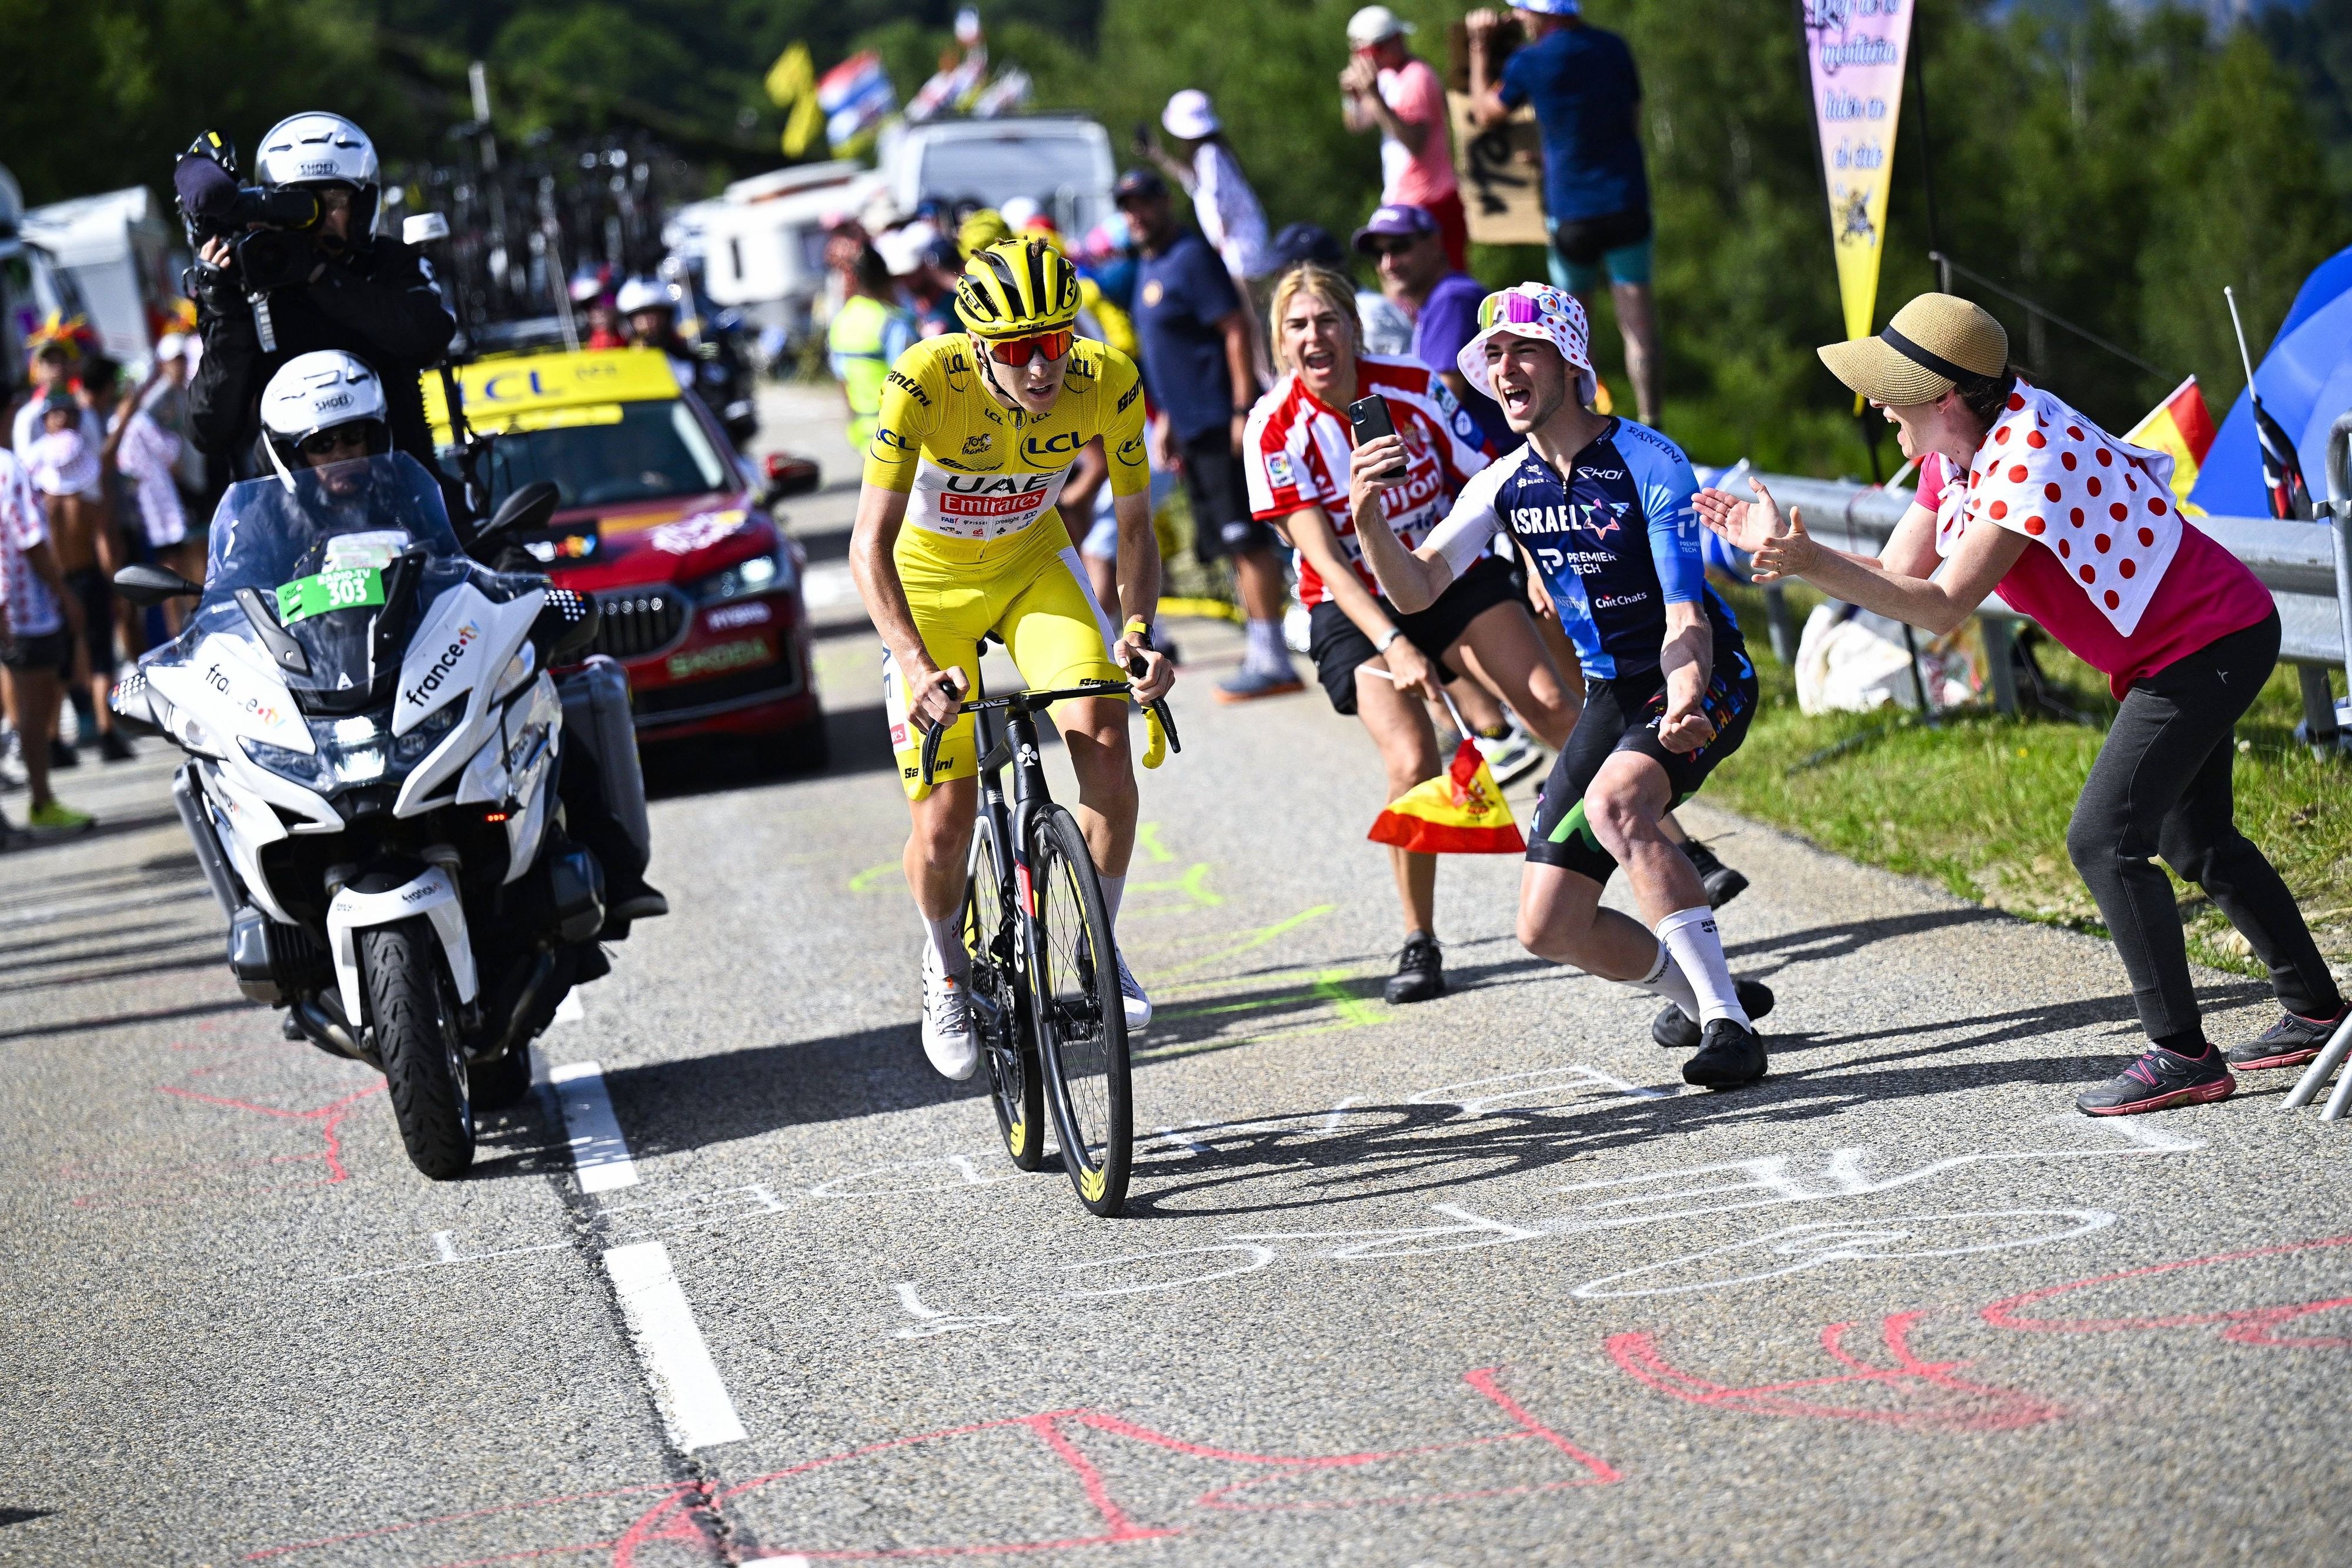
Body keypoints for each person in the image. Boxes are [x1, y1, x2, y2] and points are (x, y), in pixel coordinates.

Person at [1698, 293, 2350, 1114]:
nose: (1878, 409)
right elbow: (1898, 571)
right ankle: (2316, 1011)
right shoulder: (1956, 450)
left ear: (1943, 397)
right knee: (2196, 837)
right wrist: (1792, 551)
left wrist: (1807, 561)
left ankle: (2183, 1054)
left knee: (2103, 840)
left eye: (1889, 392)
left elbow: (1941, 606)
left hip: (2210, 643)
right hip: (2185, 645)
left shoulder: (2028, 457)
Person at [1351, 284, 1774, 1085]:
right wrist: (1368, 518)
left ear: (1571, 362)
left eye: (1524, 351)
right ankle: (1700, 996)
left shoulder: (1650, 460)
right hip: (1612, 693)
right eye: (1494, 356)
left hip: (1698, 669)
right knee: (1547, 924)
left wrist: (1687, 697)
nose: (1504, 370)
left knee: (1618, 805)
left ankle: (1730, 1028)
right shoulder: (1502, 482)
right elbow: (1416, 589)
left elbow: (1685, 613)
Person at [850, 238, 1175, 1080]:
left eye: (1055, 341)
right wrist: (914, 664)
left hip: (1032, 565)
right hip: (929, 586)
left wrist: (1138, 629)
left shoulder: (1108, 378)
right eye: (1018, 348)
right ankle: (944, 967)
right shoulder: (924, 380)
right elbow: (867, 545)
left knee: (1106, 745)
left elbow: (1135, 528)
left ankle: (1097, 947)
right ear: (978, 345)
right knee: (943, 819)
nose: (1041, 366)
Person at [1246, 266, 1582, 1003]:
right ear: (1280, 343)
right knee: (1411, 761)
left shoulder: (1413, 385)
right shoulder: (1271, 427)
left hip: (1442, 567)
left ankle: (1672, 844)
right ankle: (1418, 938)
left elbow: (1494, 478)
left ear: (1352, 327)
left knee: (1550, 702)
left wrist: (1530, 560)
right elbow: (1328, 564)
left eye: (1327, 321)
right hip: (1352, 602)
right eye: (1298, 326)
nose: (1315, 337)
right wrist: (1392, 643)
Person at [1115, 169, 1302, 703]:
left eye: (1143, 202)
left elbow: (1235, 328)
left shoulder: (1191, 257)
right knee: (1228, 541)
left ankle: (1273, 656)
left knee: (1247, 538)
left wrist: (1242, 409)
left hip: (1222, 423)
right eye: (1126, 206)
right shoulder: (1150, 265)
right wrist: (1168, 419)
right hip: (1191, 427)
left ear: (1164, 202)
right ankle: (1263, 646)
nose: (1135, 214)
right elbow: (1171, 351)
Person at [188, 113, 457, 483]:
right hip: (290, 506)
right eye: (301, 207)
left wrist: (320, 276)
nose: (319, 221)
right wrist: (226, 315)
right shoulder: (249, 278)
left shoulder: (391, 262)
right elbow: (210, 430)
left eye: (333, 202)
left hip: (404, 491)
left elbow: (429, 338)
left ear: (362, 207)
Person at [1466, 4, 1662, 428]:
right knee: (1639, 330)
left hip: (1571, 212)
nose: (1520, 18)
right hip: (1625, 201)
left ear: (1542, 14)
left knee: (1573, 332)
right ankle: (1653, 421)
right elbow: (1629, 120)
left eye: (1524, 10)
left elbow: (1485, 112)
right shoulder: (1613, 47)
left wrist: (1479, 47)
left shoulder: (1531, 61)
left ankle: (1585, 429)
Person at [26, 386, 133, 765]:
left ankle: (53, 740)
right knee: (102, 656)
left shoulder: (41, 503)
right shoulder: (90, 504)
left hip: (53, 583)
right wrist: (118, 587)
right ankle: (107, 733)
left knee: (62, 663)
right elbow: (104, 550)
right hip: (88, 579)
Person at [1145, 90, 1277, 385]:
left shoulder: (1209, 155)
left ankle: (1267, 381)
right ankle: (1266, 378)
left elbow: (1218, 202)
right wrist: (1158, 157)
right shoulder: (1211, 154)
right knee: (1252, 319)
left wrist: (1218, 243)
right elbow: (1193, 183)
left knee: (1251, 321)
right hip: (1242, 247)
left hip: (1239, 249)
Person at [1353, 204, 1509, 450]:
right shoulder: (1438, 301)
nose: (1388, 264)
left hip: (1494, 458)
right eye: (1378, 254)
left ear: (1435, 244)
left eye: (1400, 247)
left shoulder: (1452, 299)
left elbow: (1443, 399)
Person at [0, 442, 93, 833]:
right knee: (34, 711)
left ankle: (40, 802)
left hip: (14, 607)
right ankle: (42, 801)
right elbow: (32, 540)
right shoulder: (9, 466)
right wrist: (64, 594)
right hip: (24, 609)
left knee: (27, 708)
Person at [1341, 7, 1468, 270]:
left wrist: (1374, 96)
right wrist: (1353, 97)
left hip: (1430, 200)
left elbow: (1415, 143)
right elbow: (1357, 124)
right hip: (1404, 197)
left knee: (1439, 277)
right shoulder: (1387, 76)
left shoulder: (1417, 77)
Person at [826, 246, 919, 453]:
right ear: (887, 280)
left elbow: (842, 379)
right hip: (900, 437)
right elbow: (913, 383)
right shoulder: (893, 322)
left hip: (864, 435)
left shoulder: (841, 320)